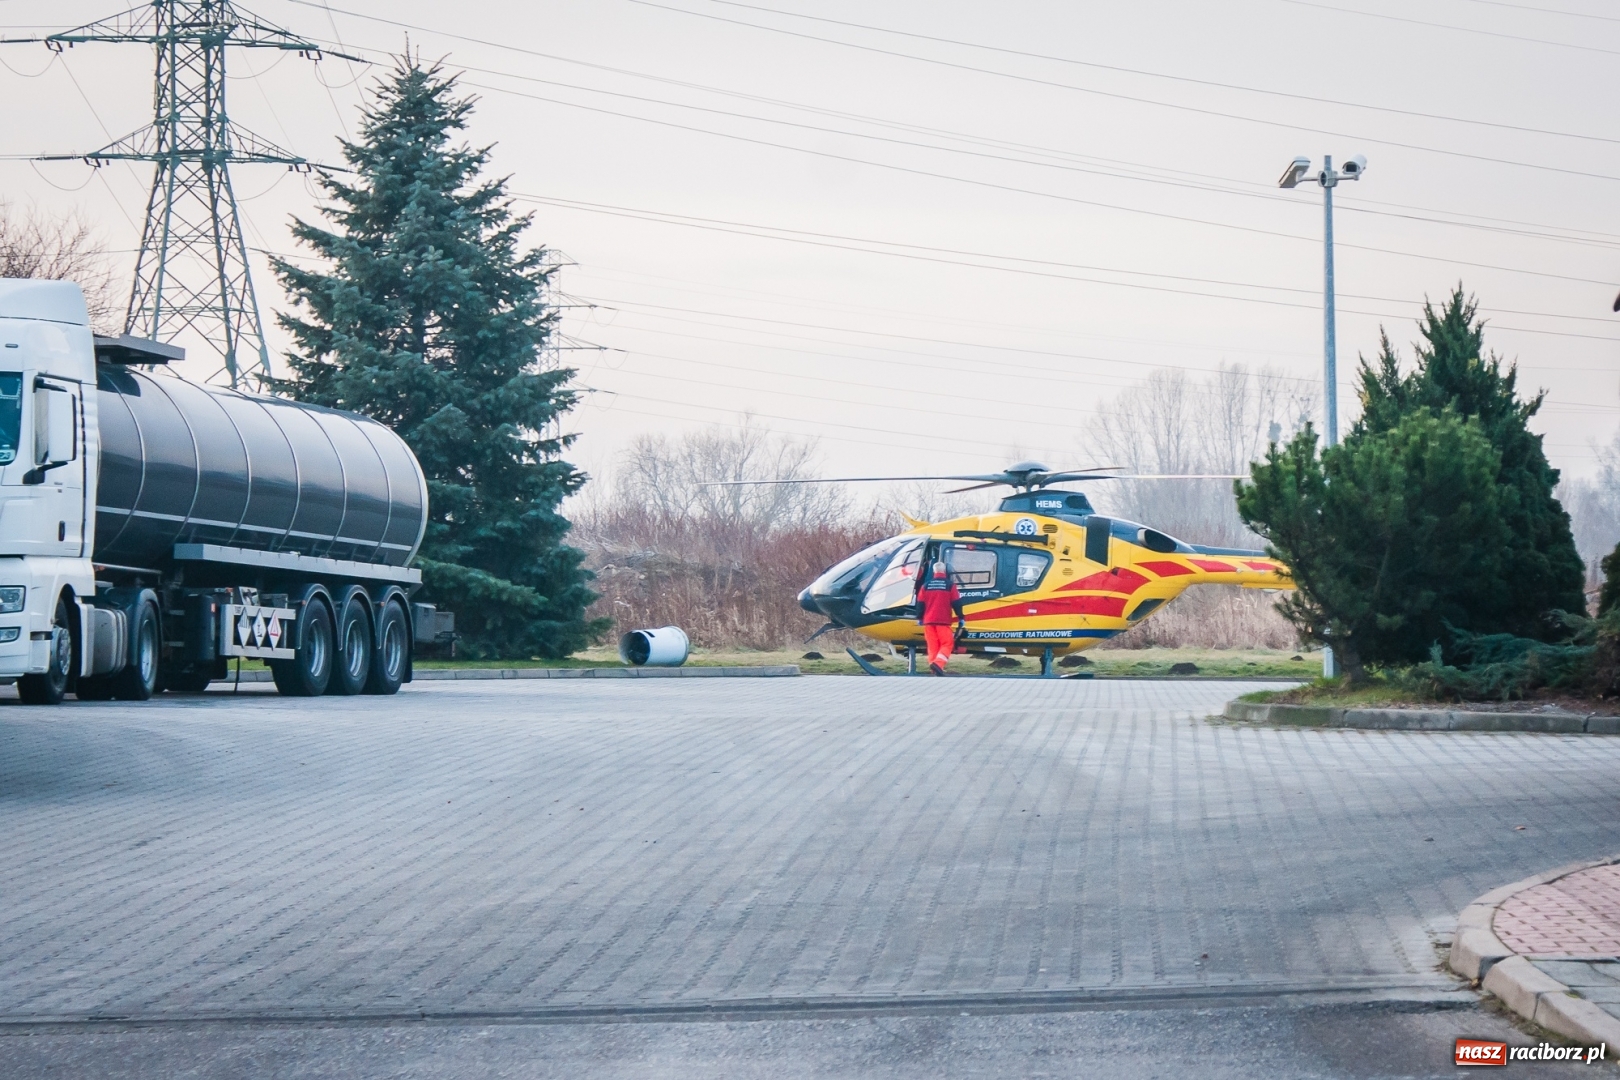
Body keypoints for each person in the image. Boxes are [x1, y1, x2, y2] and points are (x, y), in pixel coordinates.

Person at [917, 560, 964, 676]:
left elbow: (920, 604)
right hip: (943, 621)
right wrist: (961, 617)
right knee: (947, 643)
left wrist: (920, 617)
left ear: (934, 571)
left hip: (928, 621)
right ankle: (938, 664)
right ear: (944, 571)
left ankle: (934, 669)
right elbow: (956, 603)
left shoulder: (925, 586)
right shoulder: (950, 585)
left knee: (933, 646)